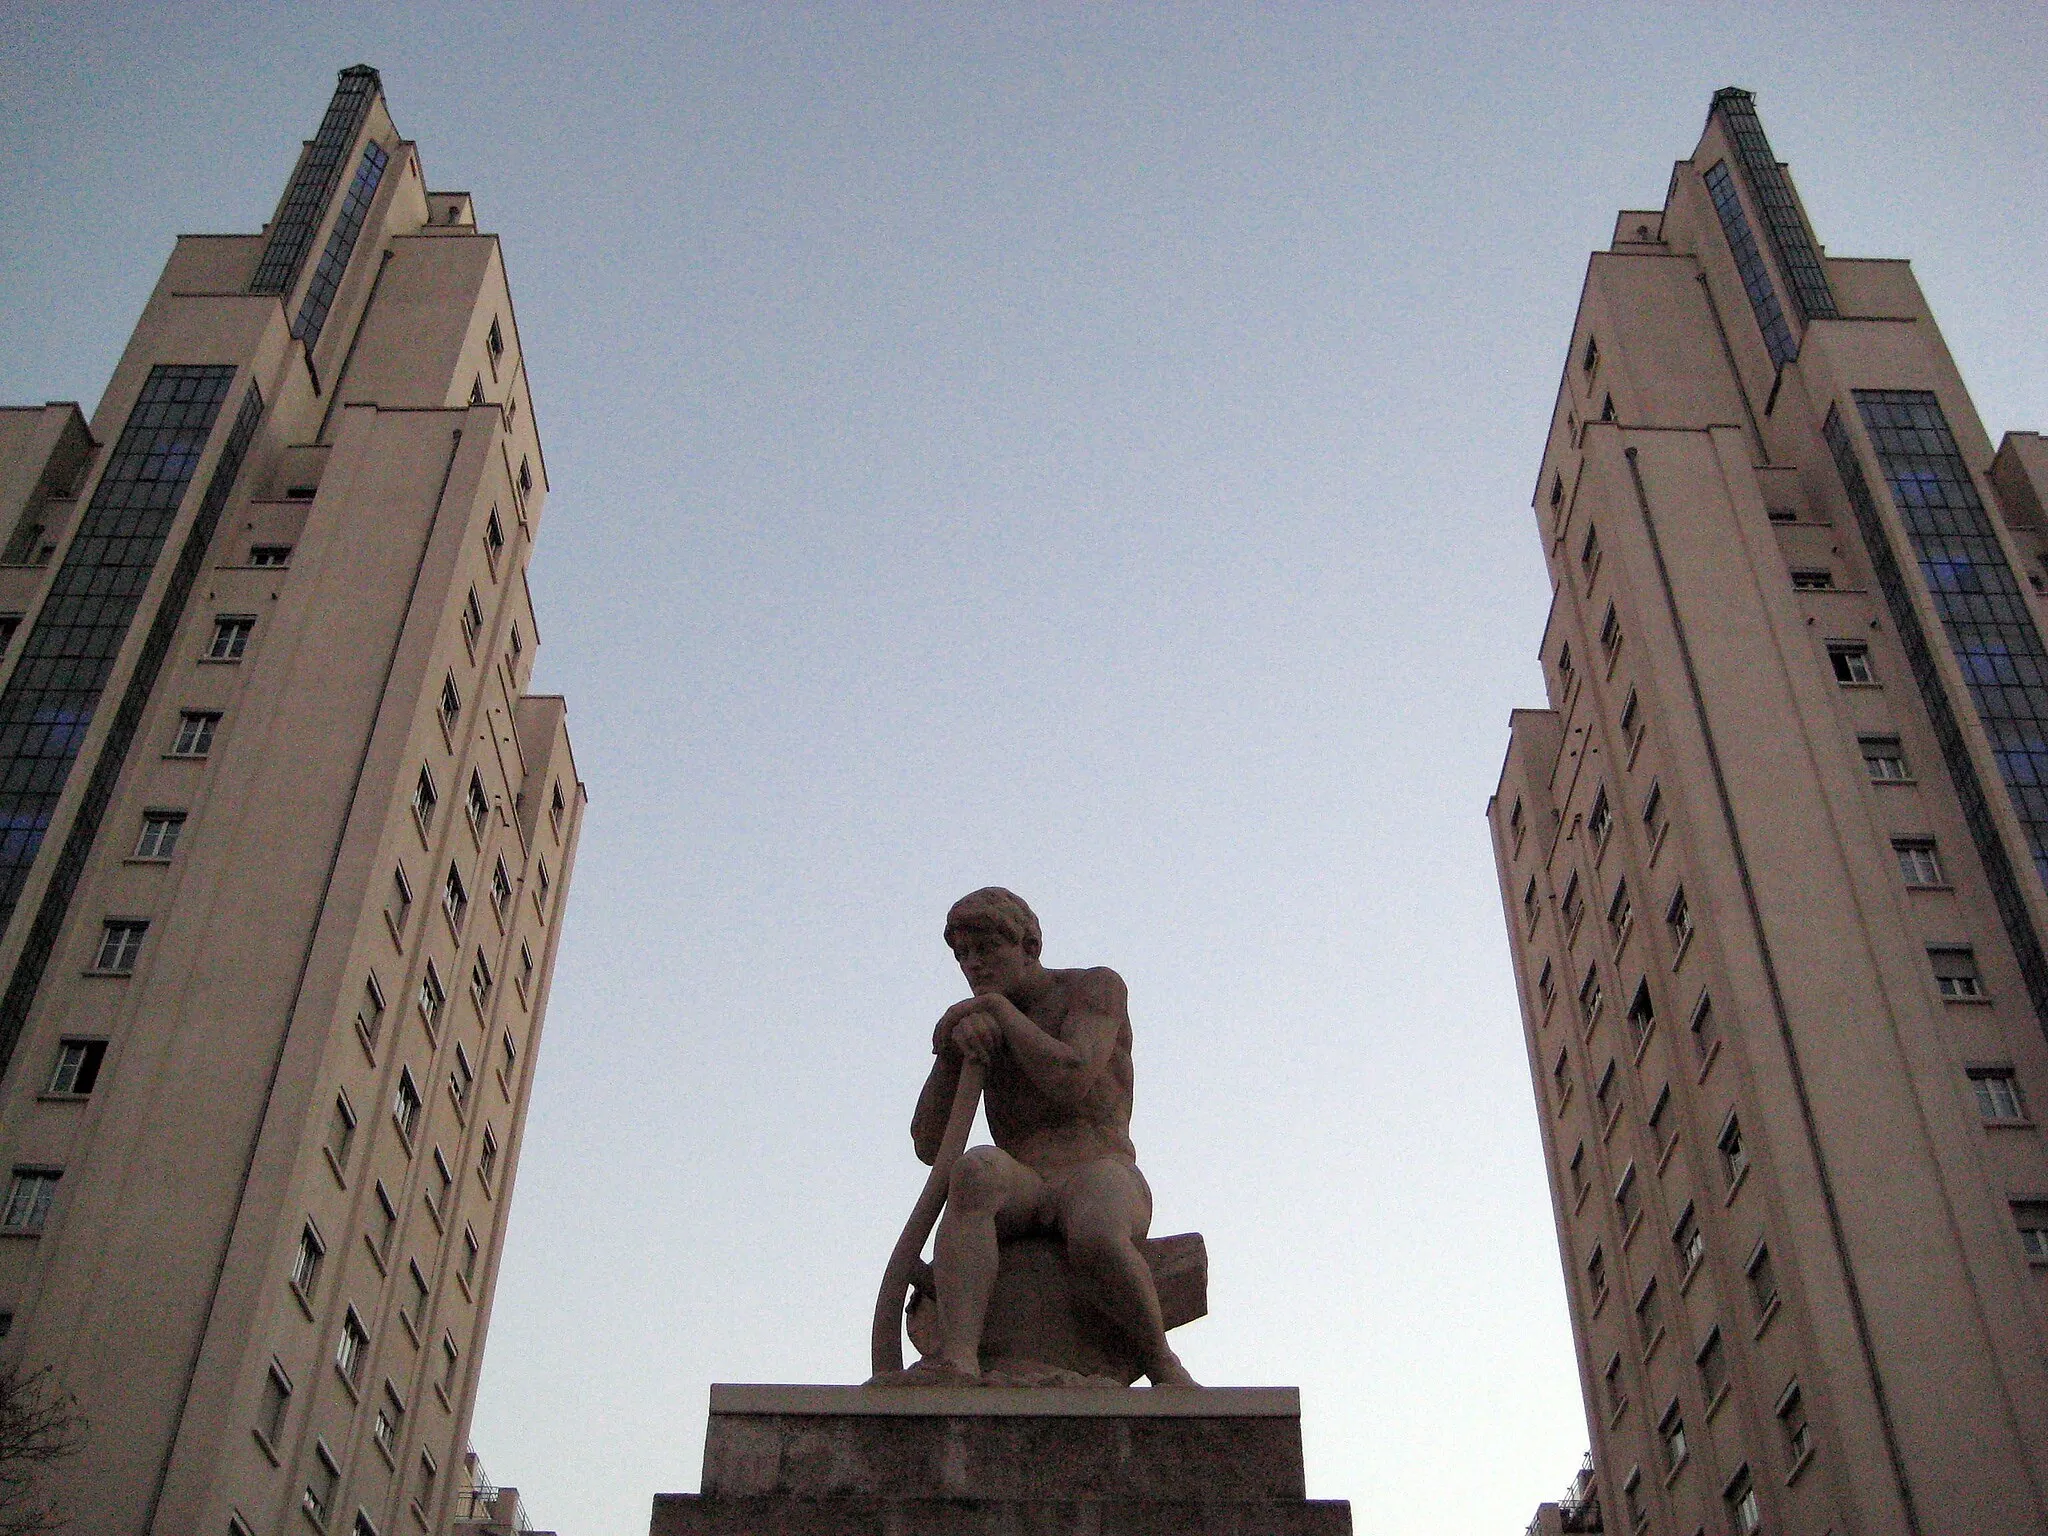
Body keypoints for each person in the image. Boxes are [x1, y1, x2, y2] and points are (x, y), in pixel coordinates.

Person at [899, 887, 1196, 1387]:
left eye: (987, 949)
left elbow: (1072, 1075)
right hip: (1025, 1182)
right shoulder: (983, 1022)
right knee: (974, 1170)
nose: (973, 965)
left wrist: (998, 1011)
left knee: (1097, 1233)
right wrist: (951, 1052)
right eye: (963, 955)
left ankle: (1161, 1361)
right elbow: (930, 1146)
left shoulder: (1094, 988)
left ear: (1029, 946)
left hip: (1099, 1169)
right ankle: (957, 1359)